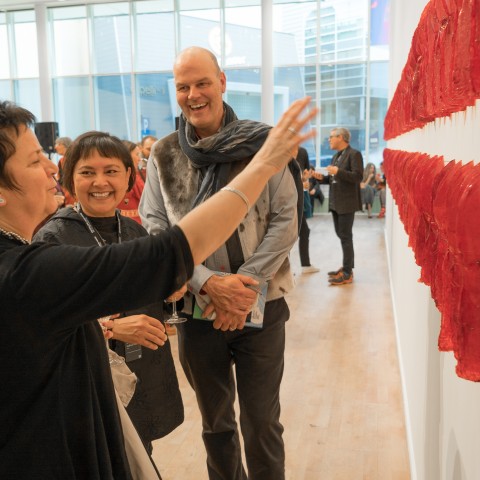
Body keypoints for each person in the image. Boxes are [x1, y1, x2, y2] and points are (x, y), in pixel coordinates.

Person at [0, 97, 316, 478]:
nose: (52, 166)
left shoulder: (27, 256)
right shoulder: (27, 267)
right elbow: (167, 253)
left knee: (260, 421)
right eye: (35, 161)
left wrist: (199, 287)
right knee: (218, 423)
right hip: (55, 449)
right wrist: (262, 165)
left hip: (97, 415)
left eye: (112, 171)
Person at [139, 46, 302, 480]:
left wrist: (243, 287)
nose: (193, 94)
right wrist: (209, 283)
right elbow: (155, 225)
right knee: (216, 425)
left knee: (262, 422)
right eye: (182, 87)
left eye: (202, 83)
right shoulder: (164, 154)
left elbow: (287, 219)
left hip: (263, 305)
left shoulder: (263, 144)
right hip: (196, 308)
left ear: (222, 82)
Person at [34, 131, 185, 457]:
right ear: (68, 177)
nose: (100, 182)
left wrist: (169, 289)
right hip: (88, 381)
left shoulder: (134, 230)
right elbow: (42, 324)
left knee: (140, 454)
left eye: (111, 171)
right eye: (87, 172)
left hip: (141, 369)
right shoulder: (52, 238)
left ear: (129, 176)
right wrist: (113, 329)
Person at [316, 127, 363, 286]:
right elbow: (332, 178)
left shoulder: (354, 154)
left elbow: (357, 176)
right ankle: (346, 267)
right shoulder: (336, 156)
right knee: (342, 235)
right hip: (336, 203)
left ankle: (348, 273)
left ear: (341, 137)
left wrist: (338, 171)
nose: (329, 139)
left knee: (346, 237)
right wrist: (320, 178)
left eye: (331, 137)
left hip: (347, 203)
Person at [296, 147, 319, 274]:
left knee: (304, 231)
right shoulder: (280, 150)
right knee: (287, 235)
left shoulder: (302, 151)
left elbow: (304, 175)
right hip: (284, 201)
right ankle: (283, 269)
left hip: (296, 200)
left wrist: (304, 181)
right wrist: (301, 182)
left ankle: (305, 265)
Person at [117, 140, 146, 224]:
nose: (139, 159)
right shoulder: (132, 178)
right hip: (132, 224)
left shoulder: (135, 175)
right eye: (137, 154)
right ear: (127, 156)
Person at [55, 136, 75, 206]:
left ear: (65, 145)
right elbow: (59, 178)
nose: (55, 147)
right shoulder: (61, 160)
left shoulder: (74, 159)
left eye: (58, 144)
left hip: (73, 195)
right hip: (65, 194)